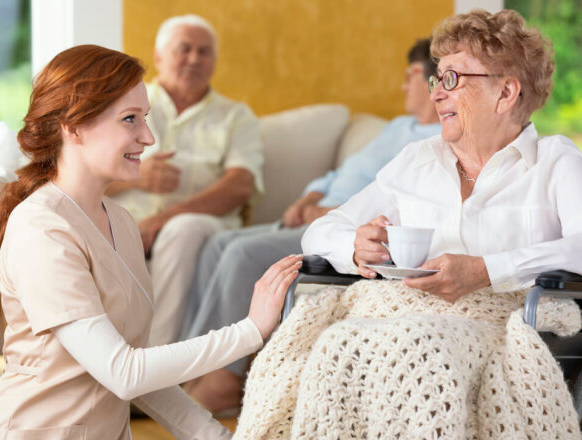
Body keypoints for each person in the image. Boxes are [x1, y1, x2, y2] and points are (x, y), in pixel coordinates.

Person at [236, 10, 582, 438]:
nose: (436, 94)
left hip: (501, 328)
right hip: (399, 313)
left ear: (506, 92)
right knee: (334, 343)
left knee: (418, 344)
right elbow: (322, 231)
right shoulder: (416, 161)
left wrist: (484, 270)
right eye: (437, 79)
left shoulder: (555, 163)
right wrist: (355, 247)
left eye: (452, 79)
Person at [0, 45, 301, 440]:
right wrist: (249, 331)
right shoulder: (41, 230)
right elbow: (123, 373)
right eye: (130, 119)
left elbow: (142, 376)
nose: (148, 137)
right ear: (73, 127)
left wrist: (216, 436)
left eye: (145, 118)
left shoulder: (122, 223)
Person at [181, 38, 441, 413]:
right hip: (315, 213)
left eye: (409, 76)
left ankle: (223, 376)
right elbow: (341, 173)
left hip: (336, 224)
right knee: (217, 244)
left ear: (427, 77)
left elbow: (395, 204)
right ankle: (197, 367)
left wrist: (328, 213)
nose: (402, 85)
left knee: (240, 253)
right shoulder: (399, 127)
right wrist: (309, 197)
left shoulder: (432, 144)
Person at [107, 14, 265, 347]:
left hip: (202, 227)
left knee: (182, 229)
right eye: (184, 49)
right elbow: (84, 170)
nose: (194, 59)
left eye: (204, 52)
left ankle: (155, 368)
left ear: (214, 62)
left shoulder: (236, 116)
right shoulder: (120, 105)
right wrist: (137, 178)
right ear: (159, 57)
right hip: (124, 220)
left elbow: (241, 185)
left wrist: (161, 221)